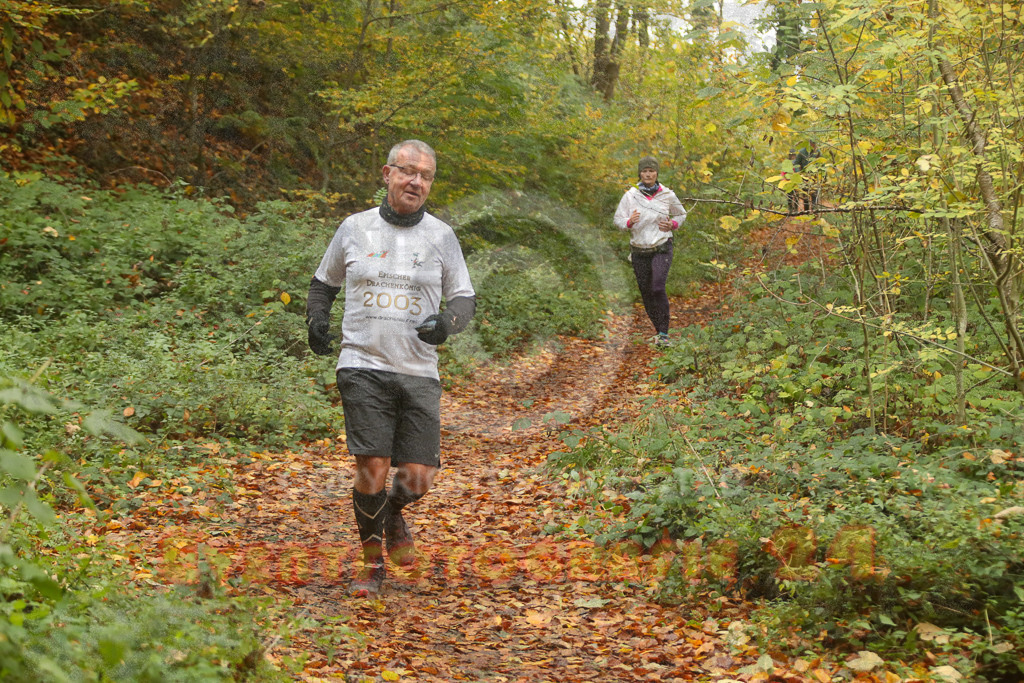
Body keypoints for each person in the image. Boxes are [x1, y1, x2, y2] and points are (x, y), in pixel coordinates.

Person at [305, 139, 476, 596]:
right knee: (372, 465)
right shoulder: (353, 228)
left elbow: (463, 298)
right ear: (387, 174)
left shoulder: (441, 236)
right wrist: (316, 318)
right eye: (407, 171)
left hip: (418, 370)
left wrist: (447, 323)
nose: (416, 181)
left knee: (418, 477)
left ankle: (393, 511)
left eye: (425, 176)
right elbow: (324, 284)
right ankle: (372, 562)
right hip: (362, 363)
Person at [613, 156, 686, 346]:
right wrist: (629, 222)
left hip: (662, 246)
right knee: (646, 292)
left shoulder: (667, 194)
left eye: (651, 171)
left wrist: (673, 223)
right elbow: (618, 220)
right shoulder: (631, 195)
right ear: (640, 173)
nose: (648, 174)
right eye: (644, 171)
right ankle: (659, 331)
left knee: (657, 287)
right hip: (639, 250)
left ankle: (664, 334)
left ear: (656, 173)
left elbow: (681, 213)